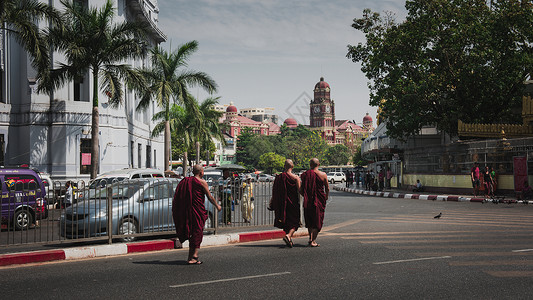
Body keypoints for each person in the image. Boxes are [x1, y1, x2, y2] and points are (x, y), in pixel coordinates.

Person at [172, 164, 221, 265]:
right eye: (203, 171)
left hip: (189, 210)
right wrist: (217, 206)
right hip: (197, 211)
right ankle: (194, 256)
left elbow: (178, 196)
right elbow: (210, 197)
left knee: (193, 233)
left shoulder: (186, 181)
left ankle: (190, 256)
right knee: (197, 232)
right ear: (201, 172)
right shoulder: (202, 182)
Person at [270, 159, 301, 248]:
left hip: (281, 204)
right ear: (292, 166)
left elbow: (274, 191)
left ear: (284, 166)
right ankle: (288, 235)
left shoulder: (279, 177)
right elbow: (300, 190)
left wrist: (272, 201)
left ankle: (289, 239)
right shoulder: (295, 178)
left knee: (286, 221)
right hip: (292, 203)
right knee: (295, 221)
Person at [299, 158, 329, 247]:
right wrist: (326, 197)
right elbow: (327, 188)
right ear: (318, 164)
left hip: (308, 201)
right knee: (318, 221)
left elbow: (301, 190)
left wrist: (307, 196)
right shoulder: (323, 175)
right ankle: (313, 240)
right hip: (319, 200)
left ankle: (310, 239)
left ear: (310, 165)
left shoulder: (305, 175)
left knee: (310, 221)